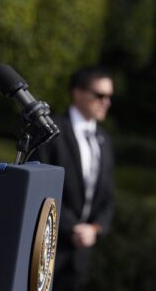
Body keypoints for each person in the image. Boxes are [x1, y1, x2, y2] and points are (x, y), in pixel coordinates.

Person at [33, 66, 115, 291]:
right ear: (78, 93)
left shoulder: (103, 140)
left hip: (80, 255)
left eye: (109, 96)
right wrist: (72, 227)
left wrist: (95, 229)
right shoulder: (52, 131)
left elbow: (107, 197)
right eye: (99, 95)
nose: (106, 102)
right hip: (46, 244)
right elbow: (43, 187)